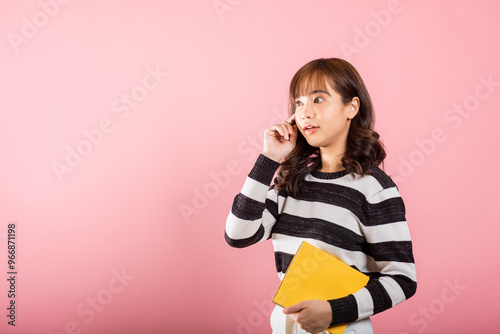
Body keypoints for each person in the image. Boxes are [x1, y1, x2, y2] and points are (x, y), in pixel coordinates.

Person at [224, 58, 417, 334]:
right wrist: (269, 158)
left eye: (318, 99)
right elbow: (238, 235)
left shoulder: (374, 189)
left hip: (341, 328)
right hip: (286, 325)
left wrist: (333, 312)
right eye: (299, 103)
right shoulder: (290, 181)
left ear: (351, 107)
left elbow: (402, 278)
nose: (305, 113)